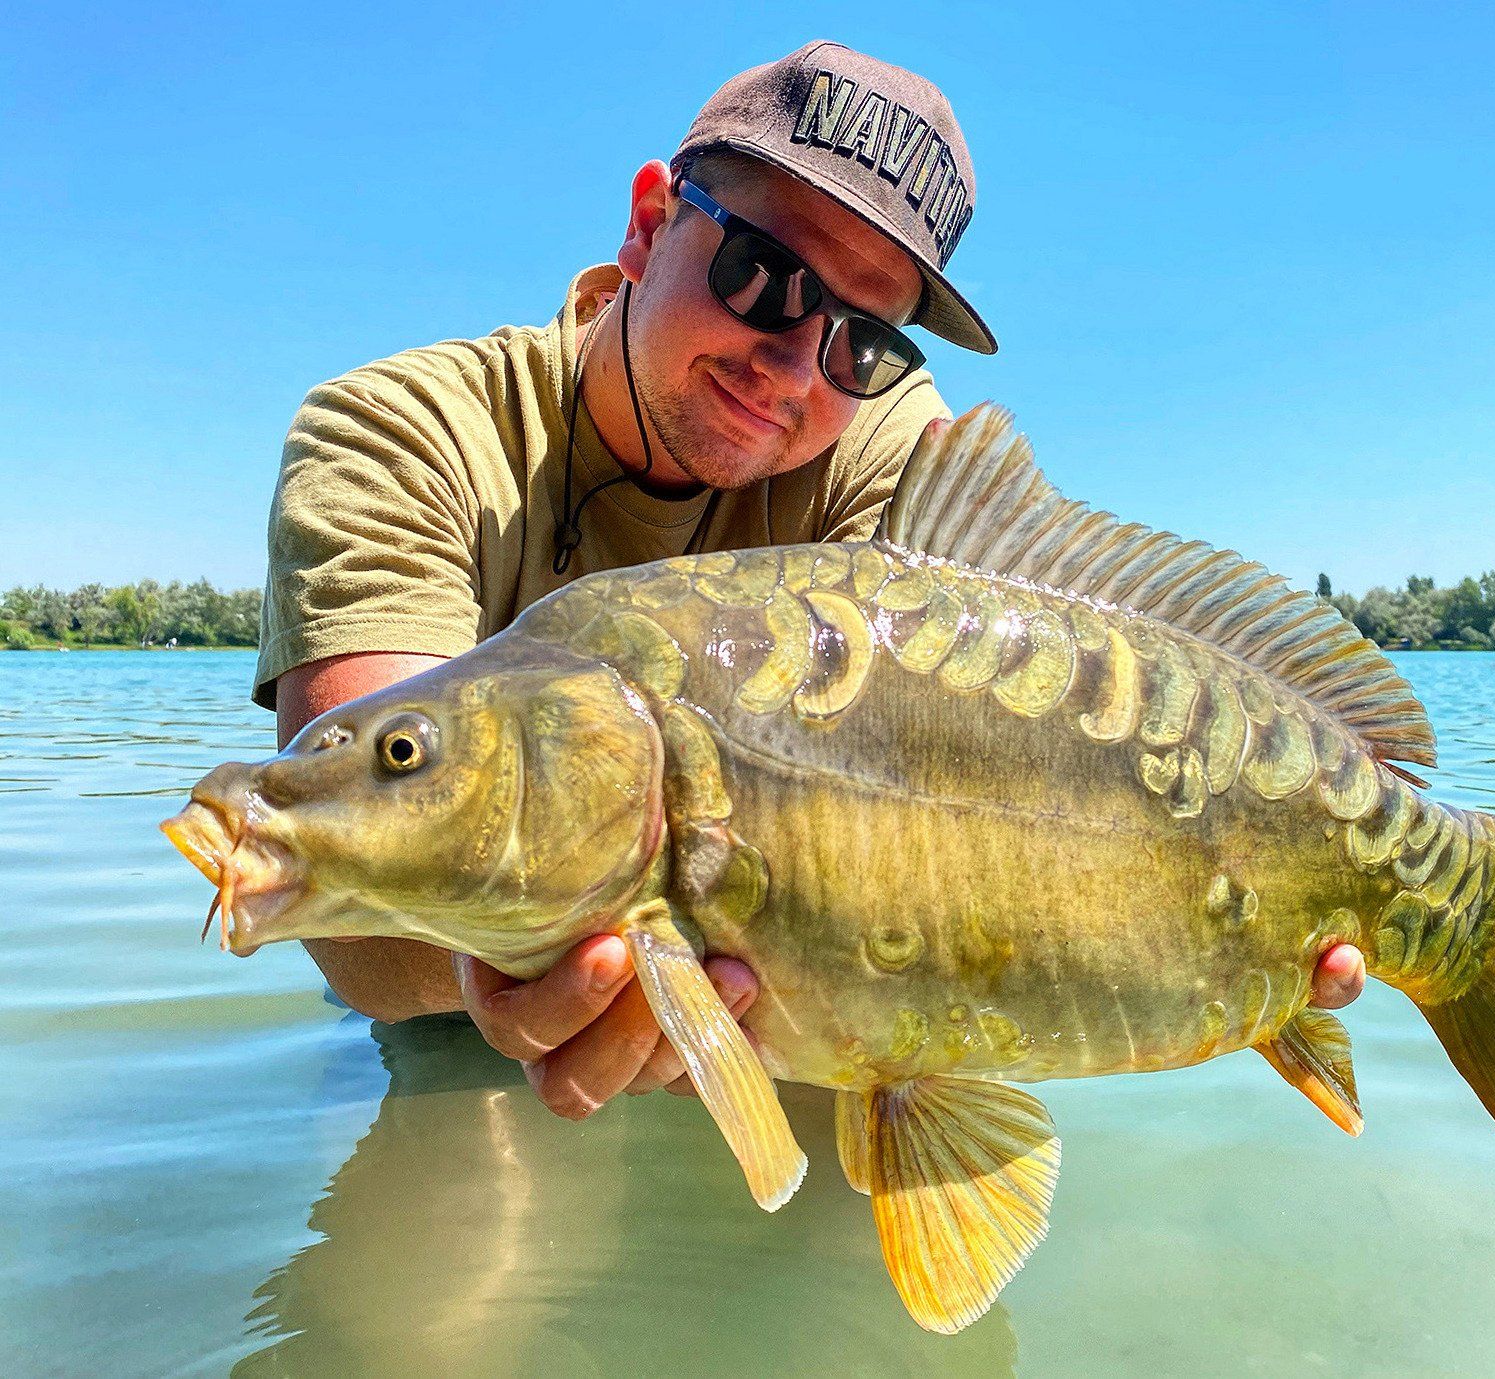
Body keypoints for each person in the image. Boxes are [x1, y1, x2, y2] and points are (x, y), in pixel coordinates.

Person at [258, 41, 1367, 1118]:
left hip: (792, 998)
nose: (794, 366)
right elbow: (357, 909)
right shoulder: (401, 433)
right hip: (474, 1026)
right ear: (649, 225)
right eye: (763, 276)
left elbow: (1042, 736)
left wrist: (1210, 909)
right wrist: (517, 974)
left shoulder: (885, 450)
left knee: (860, 1185)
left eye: (863, 339)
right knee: (459, 1279)